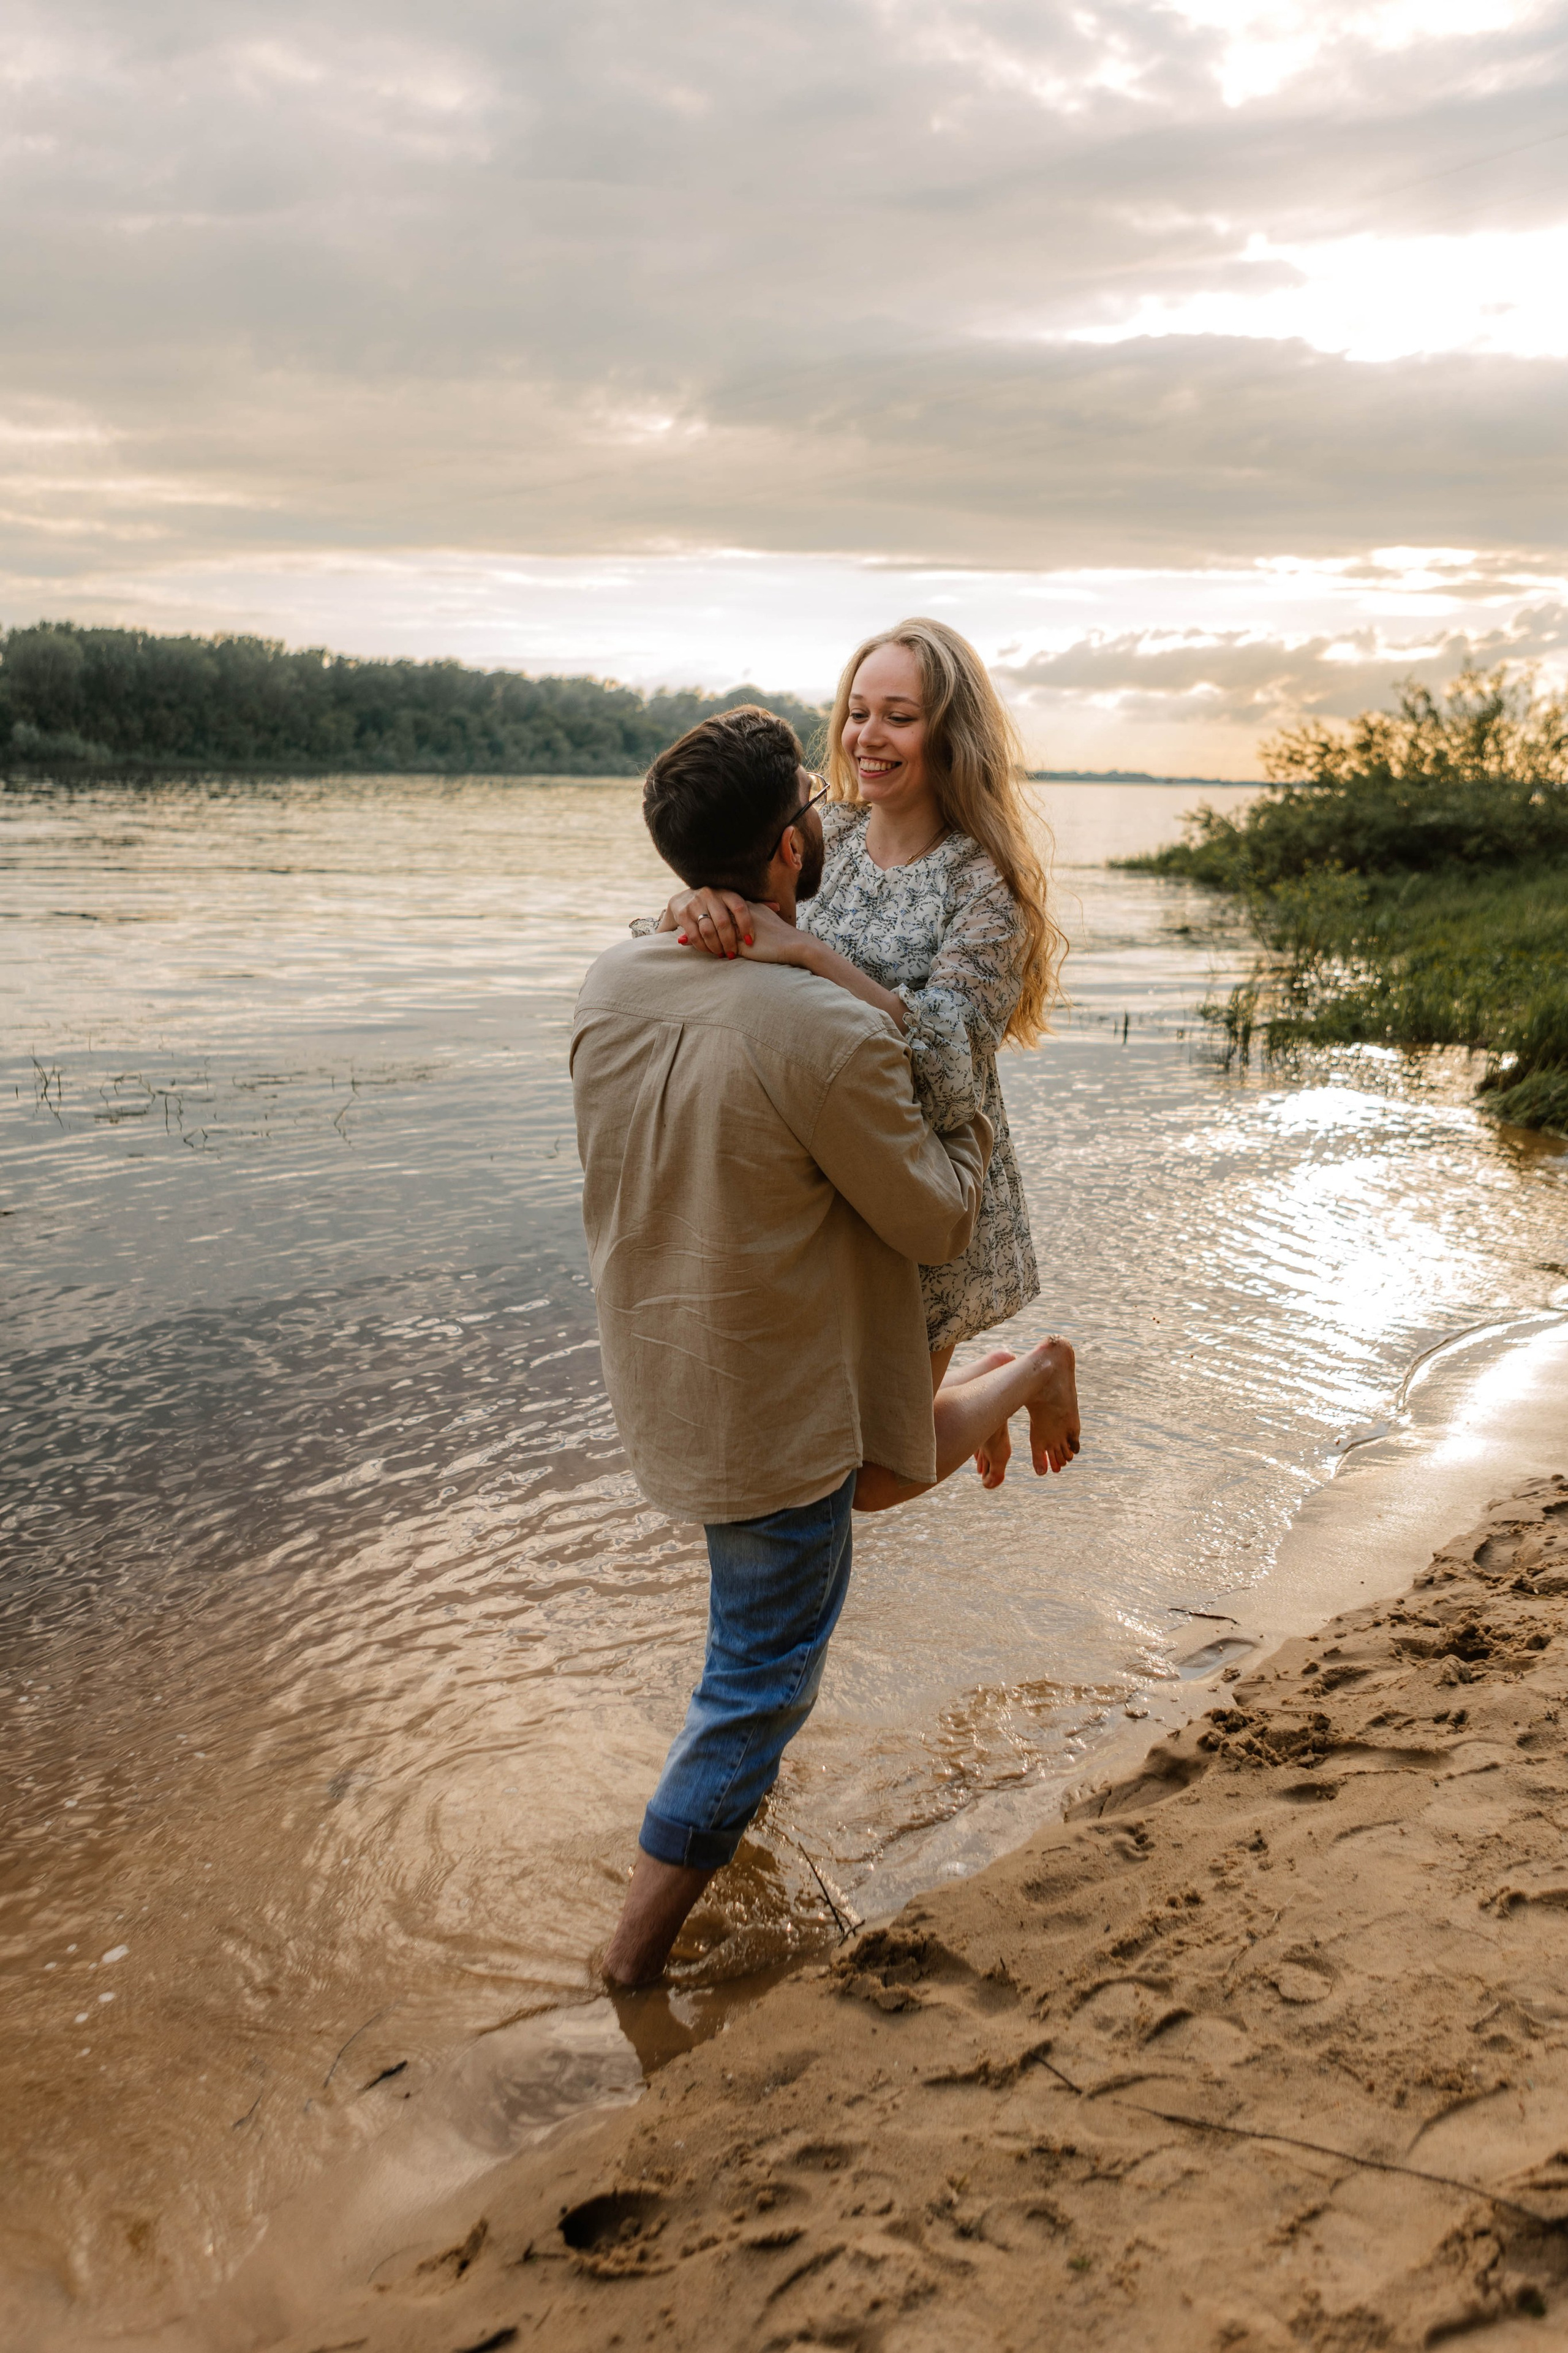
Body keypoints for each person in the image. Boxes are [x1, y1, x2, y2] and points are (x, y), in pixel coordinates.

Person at [572, 705, 1079, 1986]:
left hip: (674, 1367)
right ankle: (629, 1966)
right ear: (792, 847)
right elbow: (934, 1207)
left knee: (766, 1626)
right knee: (757, 1680)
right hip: (779, 1372)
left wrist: (718, 922)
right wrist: (964, 1125)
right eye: (840, 741)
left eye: (895, 714)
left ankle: (685, 1892)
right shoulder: (816, 1010)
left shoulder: (609, 981)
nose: (856, 753)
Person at [653, 618, 1066, 1495]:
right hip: (818, 1181)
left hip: (926, 1185)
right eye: (857, 711)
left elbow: (953, 1067)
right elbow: (714, 940)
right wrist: (697, 901)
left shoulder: (983, 882)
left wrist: (811, 956)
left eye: (900, 717)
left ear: (949, 736)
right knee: (820, 1449)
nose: (867, 737)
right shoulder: (819, 832)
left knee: (877, 1477)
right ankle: (1002, 1383)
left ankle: (1032, 1372)